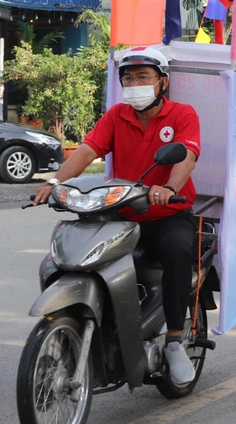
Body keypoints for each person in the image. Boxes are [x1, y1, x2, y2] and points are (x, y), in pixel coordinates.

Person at [32, 46, 201, 388]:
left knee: (177, 248)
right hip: (123, 216)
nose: (134, 83)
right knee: (68, 258)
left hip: (168, 214)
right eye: (128, 77)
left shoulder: (182, 114)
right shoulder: (116, 115)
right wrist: (55, 182)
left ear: (162, 83)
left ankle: (173, 339)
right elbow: (87, 150)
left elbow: (187, 155)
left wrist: (168, 187)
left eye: (143, 77)